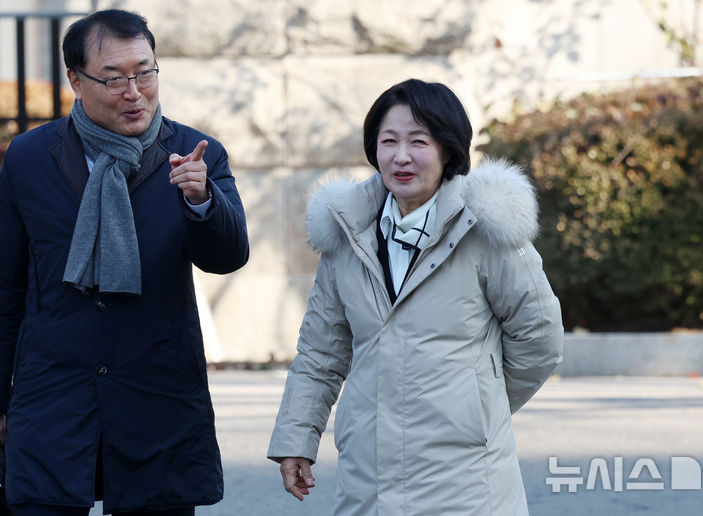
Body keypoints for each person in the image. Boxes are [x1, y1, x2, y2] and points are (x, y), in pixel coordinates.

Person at [267, 78, 563, 515]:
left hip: (466, 482)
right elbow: (320, 352)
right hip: (368, 478)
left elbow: (539, 337)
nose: (401, 156)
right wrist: (296, 439)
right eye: (389, 141)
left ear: (448, 150)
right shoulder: (348, 234)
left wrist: (476, 407)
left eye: (418, 141)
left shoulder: (485, 230)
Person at [0, 9, 249, 516]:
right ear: (76, 81)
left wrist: (202, 202)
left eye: (145, 72)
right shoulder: (28, 158)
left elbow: (228, 256)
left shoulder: (194, 154)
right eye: (114, 78)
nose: (134, 92)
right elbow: (6, 287)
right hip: (54, 395)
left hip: (156, 395)